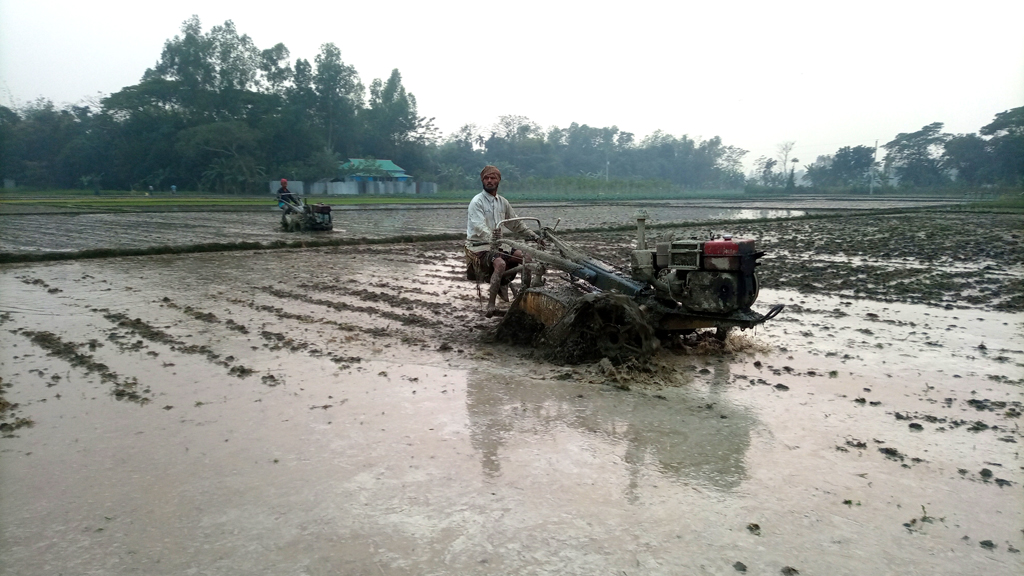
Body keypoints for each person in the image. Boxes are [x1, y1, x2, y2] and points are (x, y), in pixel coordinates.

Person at [466, 165, 544, 317]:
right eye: (486, 178)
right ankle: (491, 305)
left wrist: (533, 235)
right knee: (500, 264)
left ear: (498, 180)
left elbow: (515, 223)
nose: (489, 181)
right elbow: (479, 226)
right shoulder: (477, 202)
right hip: (479, 246)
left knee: (527, 258)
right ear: (482, 180)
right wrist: (492, 238)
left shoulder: (503, 202)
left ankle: (524, 297)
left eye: (493, 178)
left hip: (498, 244)